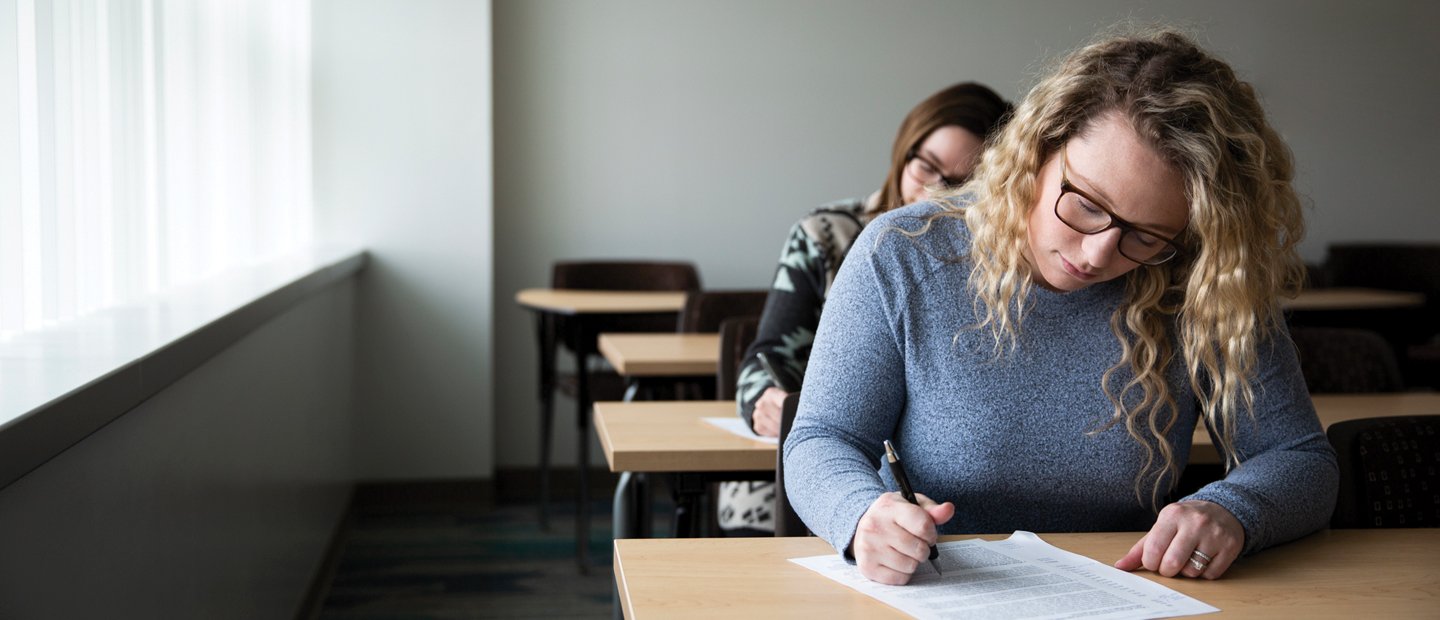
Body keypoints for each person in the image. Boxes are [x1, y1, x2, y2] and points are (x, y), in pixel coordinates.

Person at [783, 29, 1337, 584]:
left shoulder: (1203, 278)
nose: (1098, 254)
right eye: (1087, 204)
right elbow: (820, 440)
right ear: (1039, 150)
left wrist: (1233, 510)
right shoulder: (905, 253)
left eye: (1147, 235)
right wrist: (861, 513)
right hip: (936, 585)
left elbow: (1303, 460)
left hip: (1129, 591)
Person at [719, 82, 1013, 536]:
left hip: (922, 495)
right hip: (820, 457)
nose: (933, 190)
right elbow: (766, 355)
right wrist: (769, 401)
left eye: (959, 184)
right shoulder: (827, 233)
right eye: (926, 166)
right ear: (904, 149)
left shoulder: (993, 261)